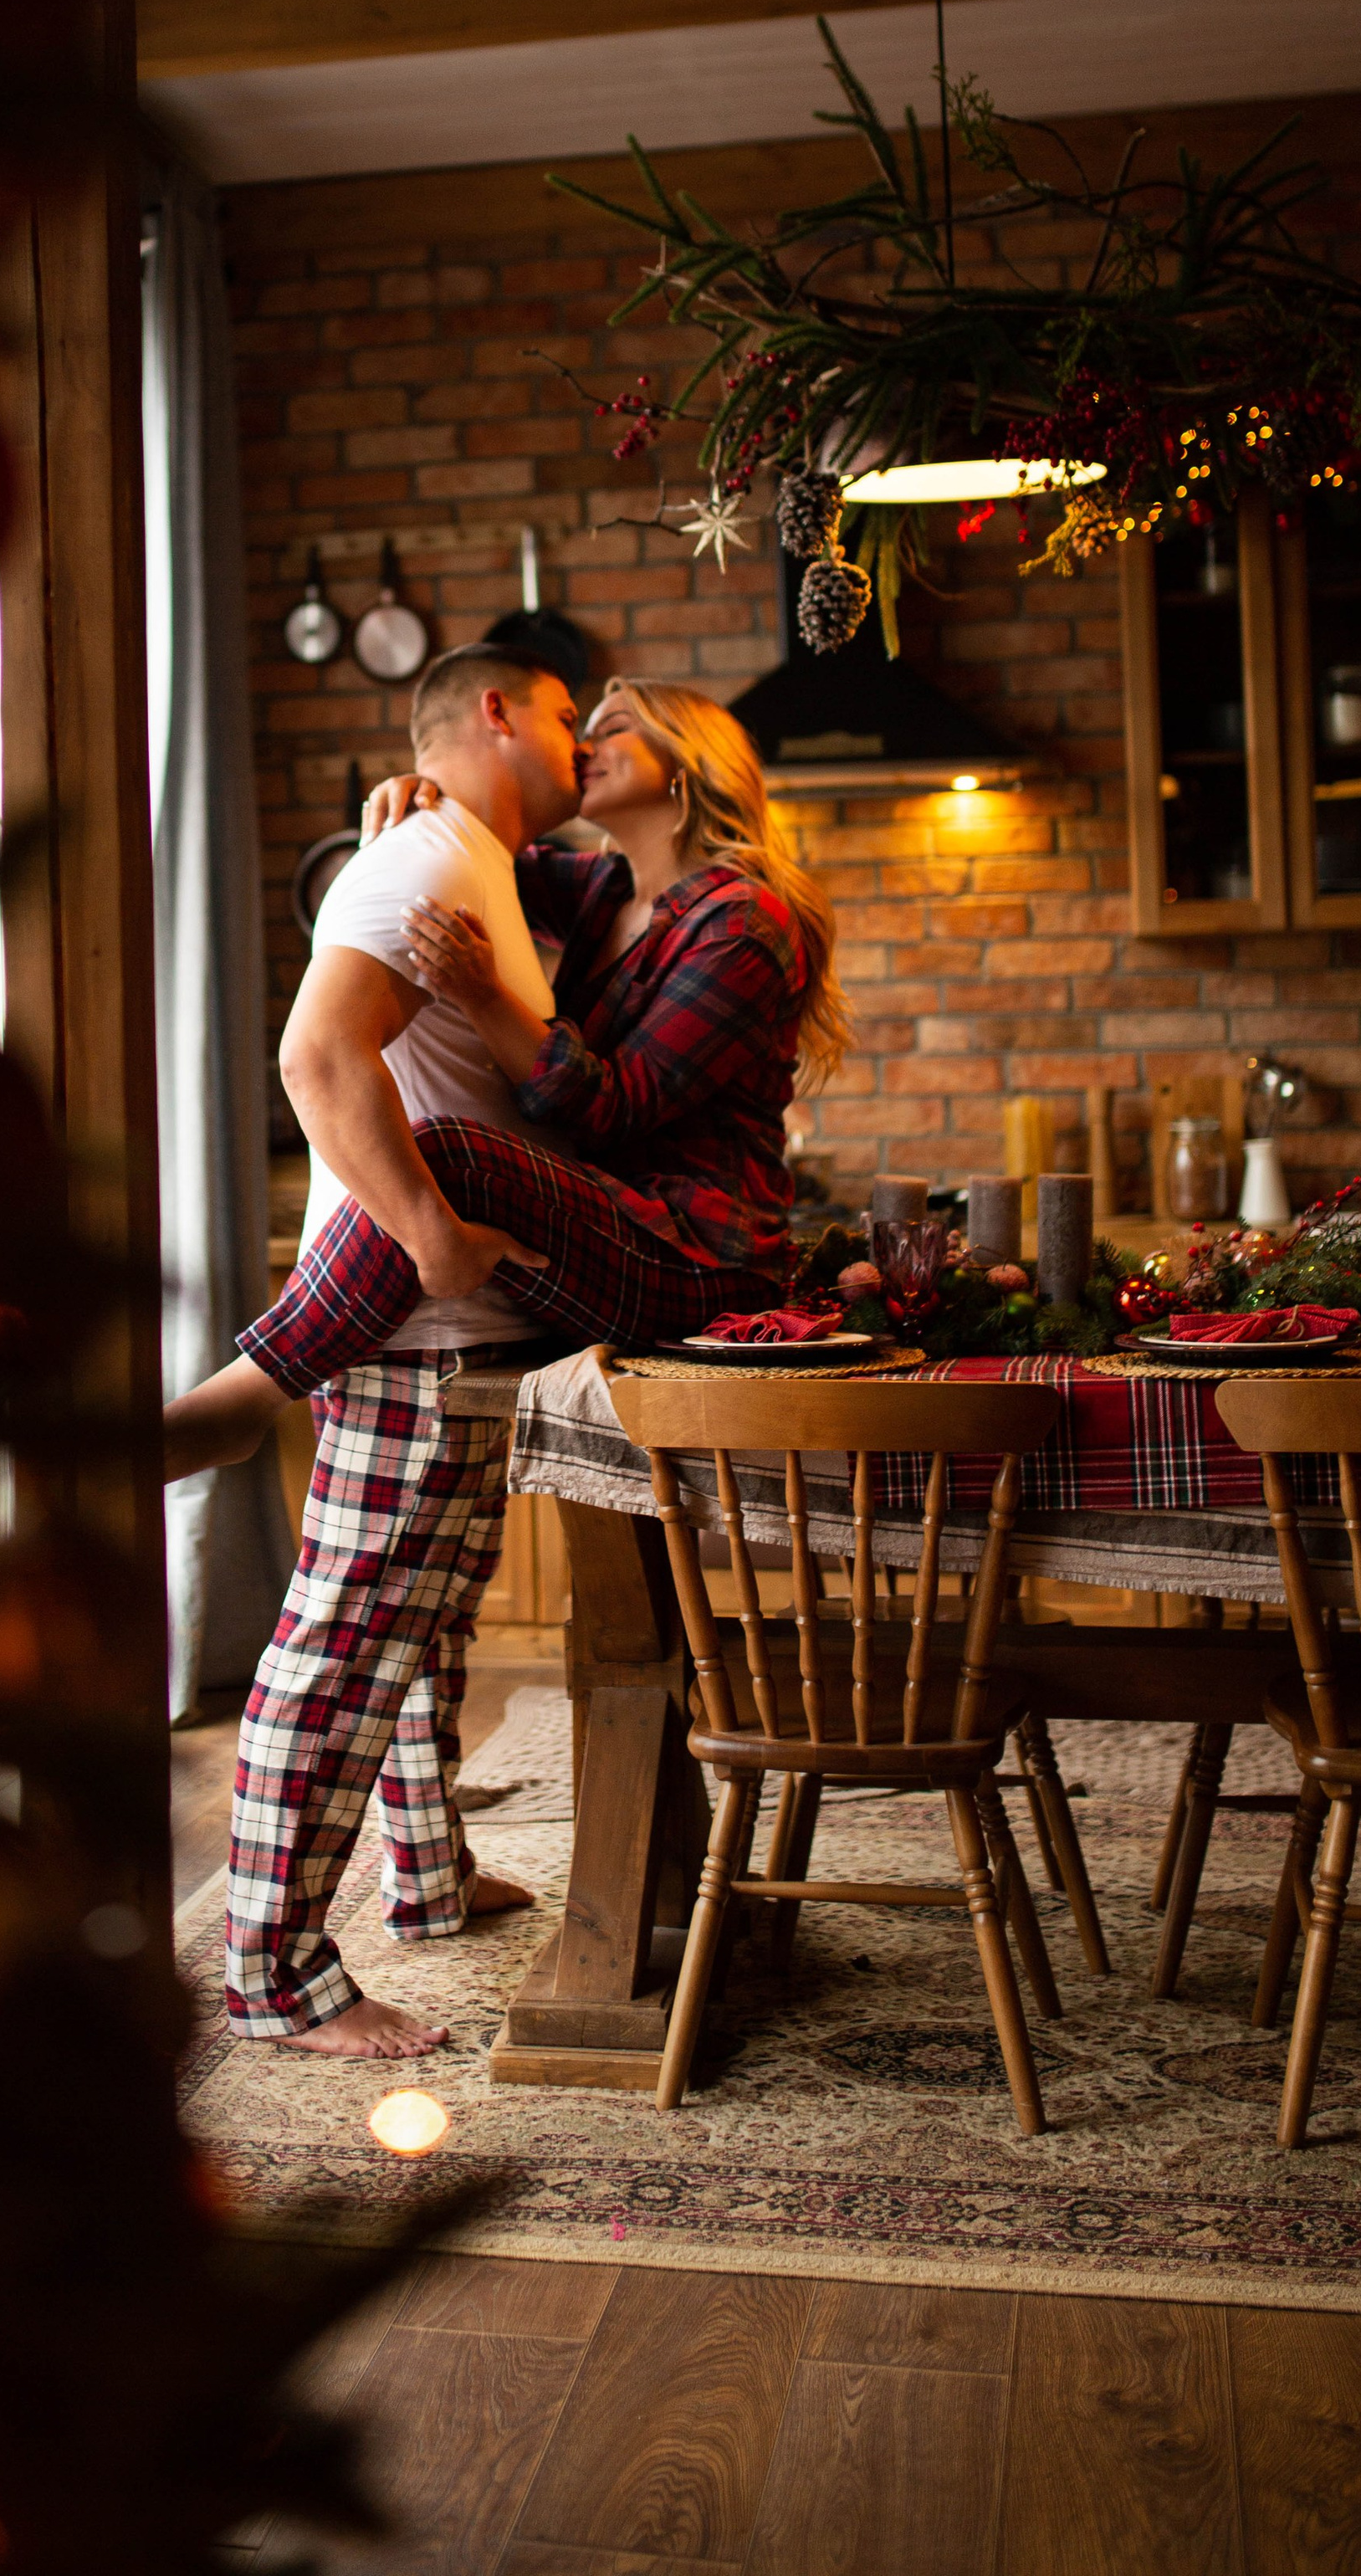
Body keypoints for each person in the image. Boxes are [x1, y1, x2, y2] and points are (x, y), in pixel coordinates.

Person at [176, 653, 849, 2061]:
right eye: (570, 716)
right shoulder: (592, 894)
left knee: (461, 1171)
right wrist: (408, 813)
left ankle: (256, 1383)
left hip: (687, 1248)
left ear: (686, 762)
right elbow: (435, 896)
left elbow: (609, 1108)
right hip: (491, 1297)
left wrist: (485, 1004)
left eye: (612, 726)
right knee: (383, 1636)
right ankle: (308, 1957)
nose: (585, 739)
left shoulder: (744, 916)